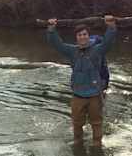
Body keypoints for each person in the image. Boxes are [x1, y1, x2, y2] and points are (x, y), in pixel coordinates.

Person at [46, 14, 118, 147]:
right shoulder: (71, 51)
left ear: (88, 36)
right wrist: (51, 29)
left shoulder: (97, 50)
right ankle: (78, 143)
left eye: (84, 34)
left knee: (96, 123)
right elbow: (57, 44)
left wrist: (111, 26)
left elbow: (108, 42)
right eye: (79, 35)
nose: (82, 37)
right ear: (76, 38)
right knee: (77, 124)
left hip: (95, 95)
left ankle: (97, 145)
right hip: (78, 95)